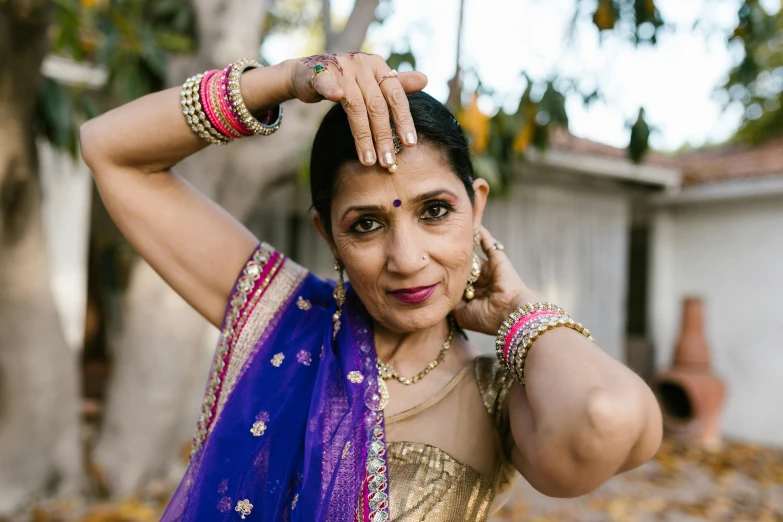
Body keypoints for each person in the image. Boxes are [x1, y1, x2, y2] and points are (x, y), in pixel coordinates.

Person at [80, 52, 662, 522]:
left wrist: (520, 311)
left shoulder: (496, 402)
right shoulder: (283, 316)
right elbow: (110, 149)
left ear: (476, 207)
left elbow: (607, 417)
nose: (407, 260)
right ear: (328, 236)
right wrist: (284, 80)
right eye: (366, 225)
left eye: (436, 211)